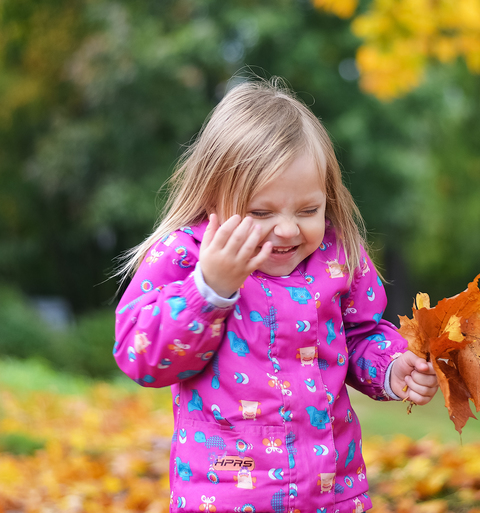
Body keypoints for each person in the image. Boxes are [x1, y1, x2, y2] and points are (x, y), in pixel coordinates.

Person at [113, 77, 439, 513]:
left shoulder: (337, 257)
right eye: (261, 212)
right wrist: (208, 290)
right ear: (214, 197)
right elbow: (142, 354)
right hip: (228, 491)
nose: (287, 230)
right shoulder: (188, 256)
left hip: (333, 491)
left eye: (308, 210)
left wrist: (391, 366)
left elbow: (361, 333)